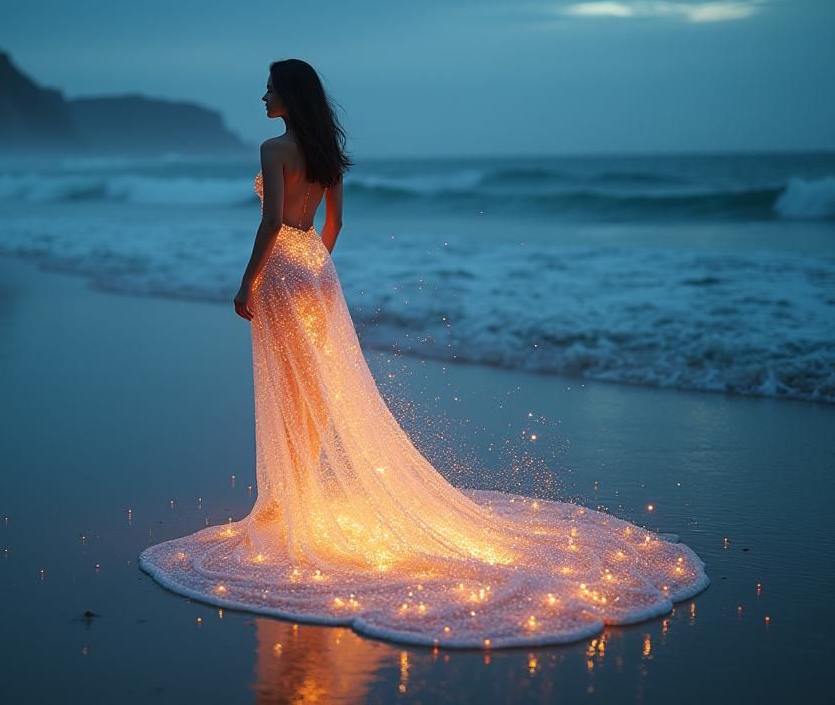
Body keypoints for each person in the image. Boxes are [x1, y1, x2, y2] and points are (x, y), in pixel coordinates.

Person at [139, 59, 708, 649]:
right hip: (317, 271)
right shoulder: (326, 150)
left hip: (283, 269)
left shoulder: (273, 149)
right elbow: (334, 224)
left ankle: (291, 501)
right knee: (318, 384)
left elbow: (269, 224)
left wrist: (247, 282)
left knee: (289, 383)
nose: (262, 97)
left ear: (289, 95)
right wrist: (316, 267)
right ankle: (299, 490)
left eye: (269, 89)